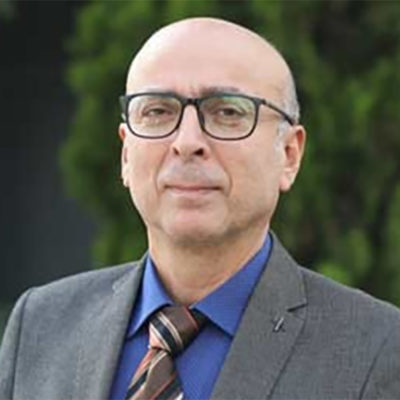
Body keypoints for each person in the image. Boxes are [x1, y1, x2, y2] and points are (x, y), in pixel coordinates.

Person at [1, 17, 399, 400]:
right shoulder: (41, 325)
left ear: (289, 155)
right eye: (157, 111)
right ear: (126, 154)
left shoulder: (375, 349)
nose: (187, 141)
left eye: (228, 112)